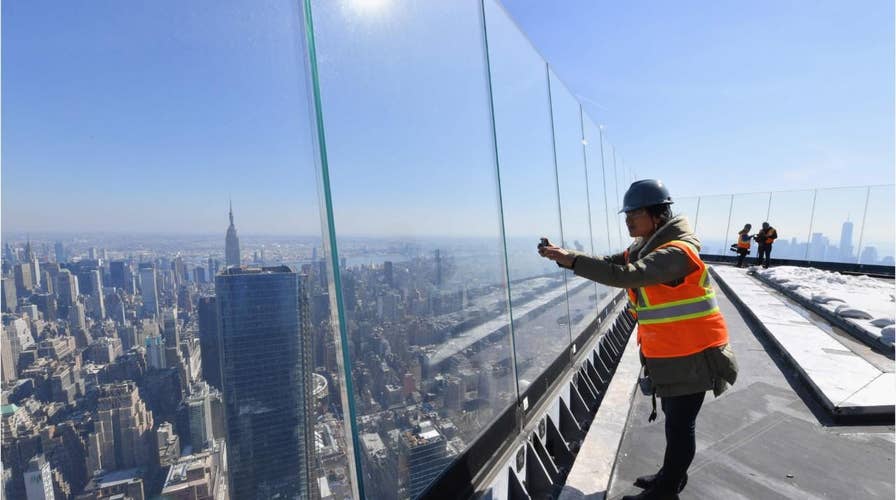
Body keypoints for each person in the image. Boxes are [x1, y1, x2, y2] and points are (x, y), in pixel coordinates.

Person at [539, 179, 738, 500]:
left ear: (657, 215)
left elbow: (625, 276)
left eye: (635, 213)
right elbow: (611, 264)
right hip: (674, 352)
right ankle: (669, 476)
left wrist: (572, 261)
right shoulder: (645, 247)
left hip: (695, 353)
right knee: (675, 423)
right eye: (626, 213)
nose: (628, 220)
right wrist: (565, 255)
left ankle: (667, 490)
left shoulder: (676, 253)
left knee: (679, 425)